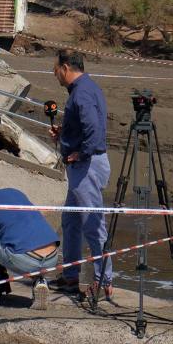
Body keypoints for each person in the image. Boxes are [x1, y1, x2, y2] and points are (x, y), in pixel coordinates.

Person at [48, 50, 113, 298]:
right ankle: (71, 276)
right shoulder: (83, 89)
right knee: (71, 221)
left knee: (93, 223)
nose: (55, 75)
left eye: (55, 70)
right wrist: (65, 134)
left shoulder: (82, 91)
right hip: (83, 166)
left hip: (87, 166)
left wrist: (81, 153)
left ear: (65, 68)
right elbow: (87, 124)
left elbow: (93, 129)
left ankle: (103, 280)